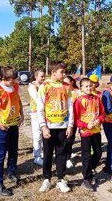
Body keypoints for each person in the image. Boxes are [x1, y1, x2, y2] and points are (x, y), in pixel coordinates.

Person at [0, 66, 24, 197]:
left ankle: (12, 173)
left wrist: (22, 115)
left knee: (13, 151)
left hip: (13, 126)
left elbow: (19, 101)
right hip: (2, 128)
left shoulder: (14, 87)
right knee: (0, 156)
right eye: (13, 80)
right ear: (6, 78)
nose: (15, 82)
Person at [37, 61, 74, 193]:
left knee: (62, 153)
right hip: (49, 126)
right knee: (47, 153)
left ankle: (60, 179)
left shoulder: (66, 87)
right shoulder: (44, 86)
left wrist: (70, 125)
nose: (64, 74)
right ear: (53, 72)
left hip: (63, 126)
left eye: (65, 72)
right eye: (62, 72)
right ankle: (46, 179)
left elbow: (70, 107)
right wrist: (43, 127)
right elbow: (40, 108)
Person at [74, 78, 105, 191]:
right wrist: (86, 125)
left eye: (90, 86)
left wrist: (99, 120)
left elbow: (102, 113)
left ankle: (90, 170)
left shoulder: (97, 98)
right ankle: (86, 179)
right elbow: (76, 119)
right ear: (81, 88)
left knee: (98, 152)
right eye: (86, 86)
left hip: (96, 131)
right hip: (86, 132)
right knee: (86, 155)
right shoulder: (79, 101)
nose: (88, 88)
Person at [28, 69, 45, 166]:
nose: (43, 78)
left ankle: (41, 151)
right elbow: (37, 98)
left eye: (44, 76)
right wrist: (40, 87)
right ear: (36, 77)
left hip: (43, 112)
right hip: (35, 113)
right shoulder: (32, 86)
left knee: (43, 133)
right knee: (37, 134)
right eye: (41, 76)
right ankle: (36, 156)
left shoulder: (43, 85)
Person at [63, 75, 80, 169]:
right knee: (64, 139)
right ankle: (65, 157)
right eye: (63, 82)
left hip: (74, 119)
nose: (65, 84)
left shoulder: (77, 92)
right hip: (63, 119)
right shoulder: (62, 91)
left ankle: (68, 156)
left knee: (70, 138)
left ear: (72, 82)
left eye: (67, 82)